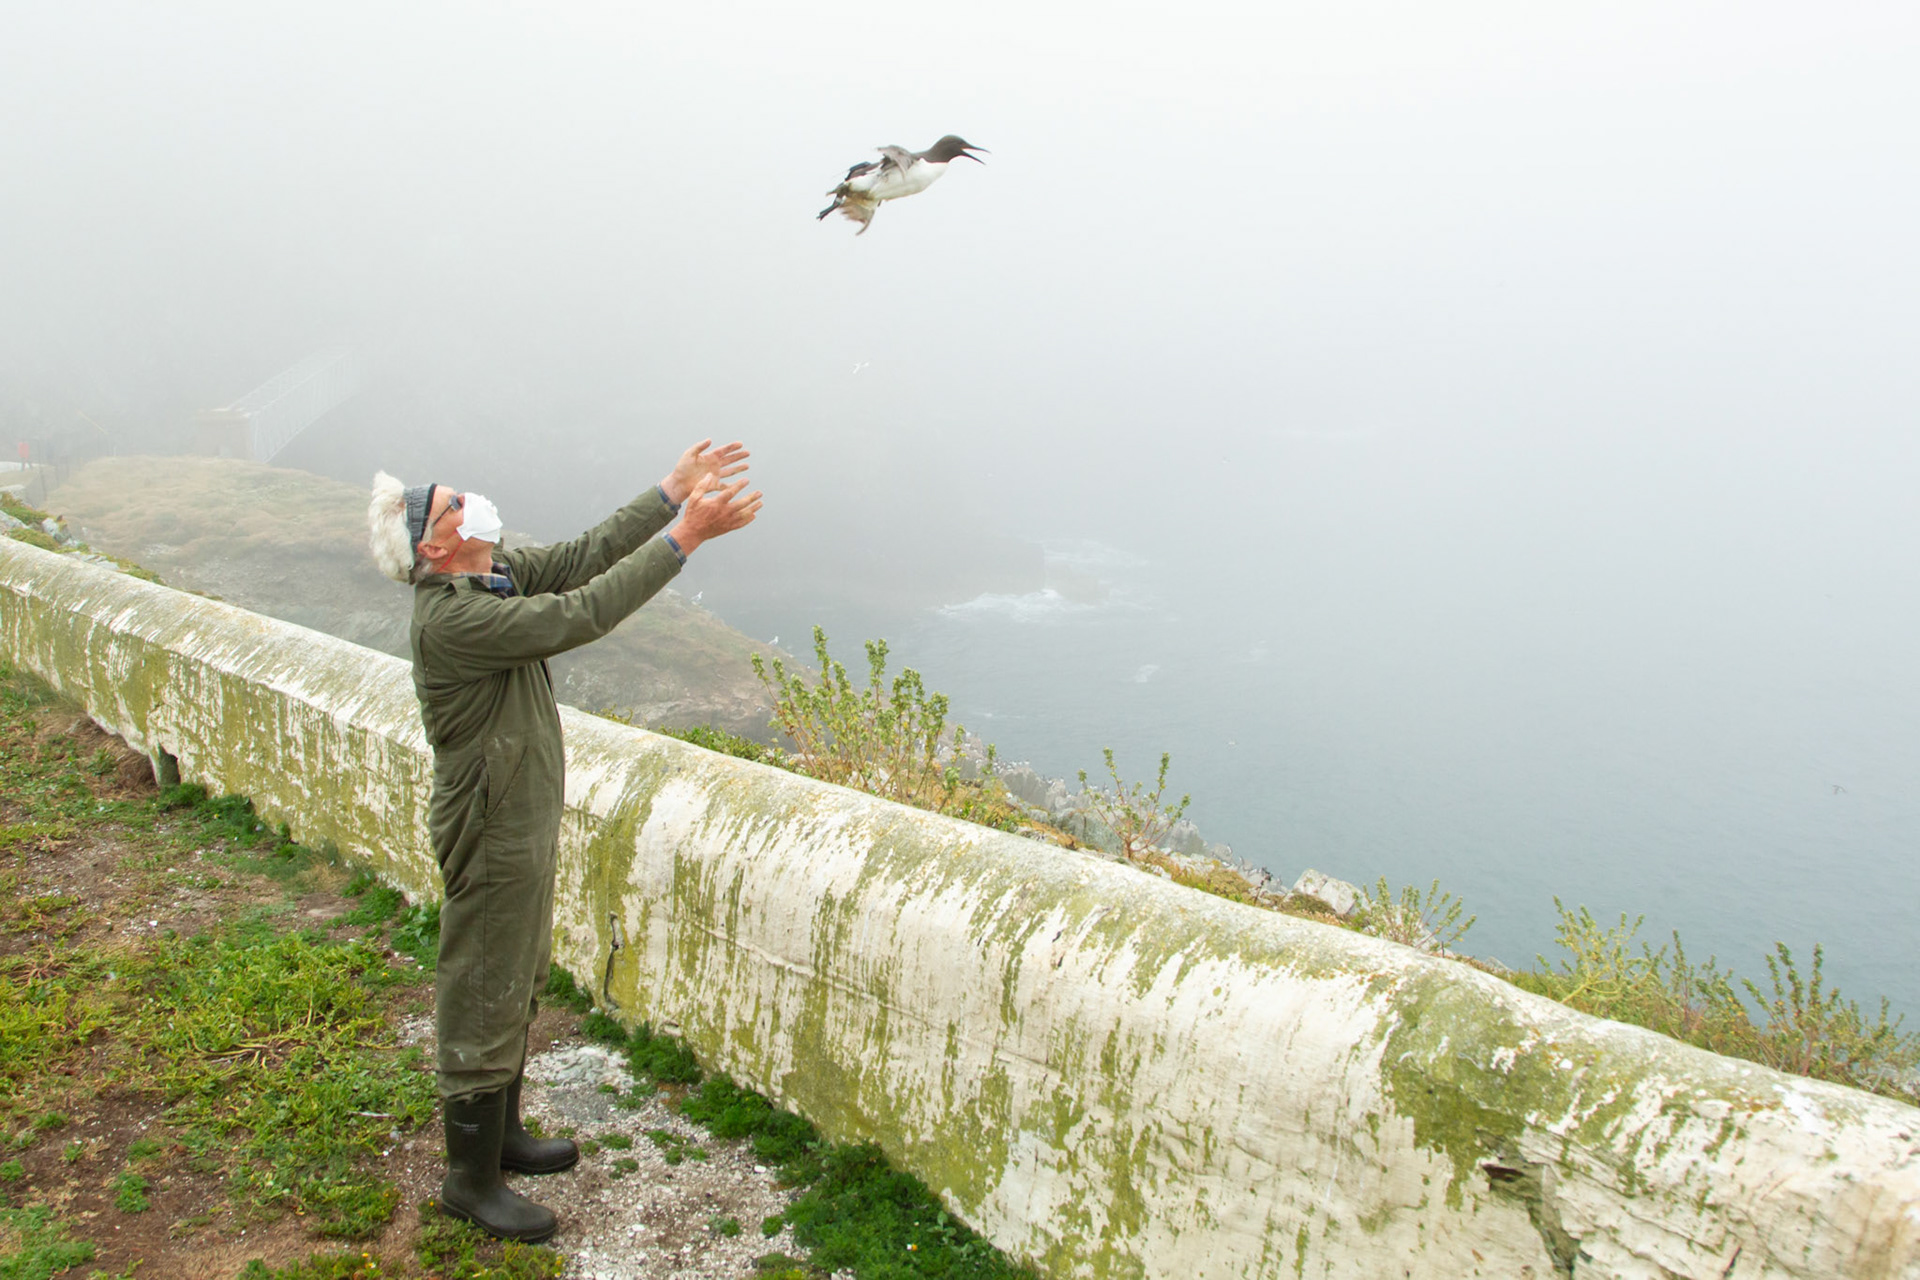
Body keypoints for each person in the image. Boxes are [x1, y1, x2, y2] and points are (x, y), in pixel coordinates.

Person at [366, 441, 761, 1242]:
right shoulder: (458, 618)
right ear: (434, 546)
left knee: (516, 968)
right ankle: (468, 1181)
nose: (471, 500)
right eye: (453, 504)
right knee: (482, 979)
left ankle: (502, 1138)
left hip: (517, 811)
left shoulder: (490, 572)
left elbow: (583, 557)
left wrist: (664, 494)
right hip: (489, 822)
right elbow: (581, 614)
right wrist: (684, 537)